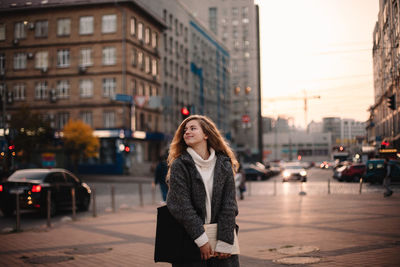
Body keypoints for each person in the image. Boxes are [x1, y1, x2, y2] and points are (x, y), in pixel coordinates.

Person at [166, 115, 240, 267]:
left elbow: (229, 205)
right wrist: (201, 239)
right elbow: (181, 206)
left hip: (221, 240)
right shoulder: (179, 165)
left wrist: (226, 241)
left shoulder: (224, 164)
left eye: (193, 128)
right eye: (185, 130)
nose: (187, 132)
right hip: (190, 240)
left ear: (206, 134)